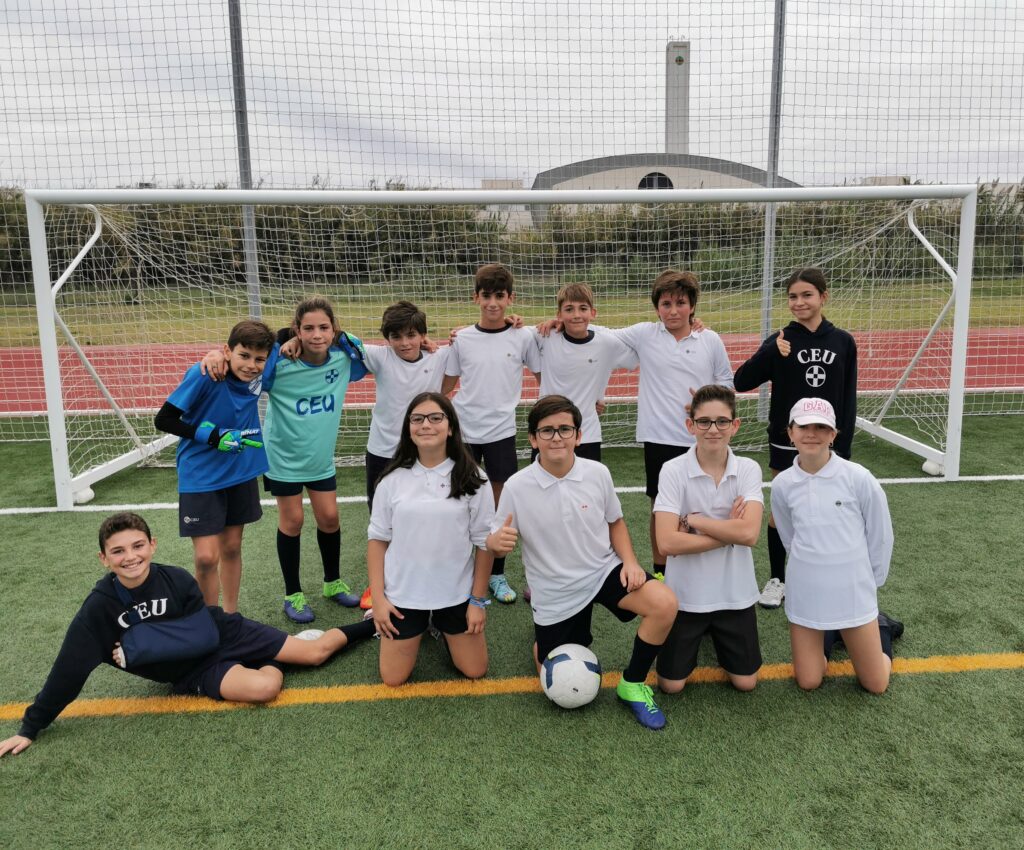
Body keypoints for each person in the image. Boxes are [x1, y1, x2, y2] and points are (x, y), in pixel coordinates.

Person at [0, 513, 375, 757]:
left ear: (152, 545)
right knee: (264, 689)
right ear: (104, 559)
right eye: (117, 551)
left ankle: (375, 622)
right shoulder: (99, 610)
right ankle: (271, 659)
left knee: (316, 653)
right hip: (192, 672)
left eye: (137, 546)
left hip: (224, 635)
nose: (129, 557)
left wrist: (139, 645)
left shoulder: (176, 579)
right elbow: (68, 668)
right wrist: (31, 727)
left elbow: (201, 633)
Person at [488, 395, 678, 730]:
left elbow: (615, 521)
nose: (556, 437)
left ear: (578, 435)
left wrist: (630, 562)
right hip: (554, 589)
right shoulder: (517, 487)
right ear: (533, 439)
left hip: (602, 570)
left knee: (664, 602)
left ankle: (632, 684)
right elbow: (496, 539)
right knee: (553, 678)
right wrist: (496, 544)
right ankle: (543, 639)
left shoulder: (598, 473)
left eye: (564, 429)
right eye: (547, 431)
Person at [202, 297, 366, 623]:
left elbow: (365, 356)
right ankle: (293, 594)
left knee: (330, 518)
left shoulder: (342, 360)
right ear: (296, 330)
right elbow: (248, 365)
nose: (317, 334)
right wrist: (217, 354)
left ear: (334, 329)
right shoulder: (281, 365)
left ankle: (332, 583)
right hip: (283, 458)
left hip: (320, 459)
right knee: (292, 522)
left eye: (324, 327)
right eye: (308, 328)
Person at [733, 267, 857, 610]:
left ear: (823, 297)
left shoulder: (842, 341)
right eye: (792, 296)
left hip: (828, 440)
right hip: (787, 438)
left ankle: (825, 575)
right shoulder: (781, 339)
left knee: (829, 508)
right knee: (783, 509)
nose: (799, 302)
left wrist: (843, 444)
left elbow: (848, 396)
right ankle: (778, 579)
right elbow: (741, 381)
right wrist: (771, 350)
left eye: (807, 295)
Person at [367, 393, 495, 686]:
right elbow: (377, 541)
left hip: (456, 595)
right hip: (403, 596)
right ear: (409, 429)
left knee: (475, 669)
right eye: (417, 419)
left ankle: (440, 625)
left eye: (436, 418)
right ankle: (420, 624)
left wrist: (477, 601)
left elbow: (484, 543)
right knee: (393, 678)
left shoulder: (474, 478)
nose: (426, 425)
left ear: (450, 428)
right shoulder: (391, 480)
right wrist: (378, 599)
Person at [771, 398, 897, 694]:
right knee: (809, 680)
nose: (811, 433)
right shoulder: (782, 485)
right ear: (790, 432)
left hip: (852, 591)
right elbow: (789, 537)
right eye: (803, 426)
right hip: (807, 592)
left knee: (876, 684)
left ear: (833, 434)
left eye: (821, 427)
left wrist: (871, 582)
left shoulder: (858, 478)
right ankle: (833, 631)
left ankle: (882, 628)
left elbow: (881, 534)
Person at [155, 319, 275, 613]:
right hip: (201, 475)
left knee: (232, 547)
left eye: (259, 359)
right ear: (227, 351)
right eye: (244, 356)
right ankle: (208, 620)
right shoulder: (206, 374)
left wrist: (294, 342)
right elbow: (164, 419)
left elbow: (288, 337)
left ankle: (230, 619)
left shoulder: (266, 366)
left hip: (240, 470)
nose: (251, 365)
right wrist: (212, 436)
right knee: (206, 558)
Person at [652, 385, 764, 694]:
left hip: (734, 593)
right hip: (686, 596)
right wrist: (728, 531)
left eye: (722, 421)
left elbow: (750, 534)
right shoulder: (673, 470)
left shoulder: (748, 469)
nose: (713, 429)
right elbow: (667, 543)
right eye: (704, 422)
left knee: (746, 683)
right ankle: (700, 636)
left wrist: (695, 521)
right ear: (690, 425)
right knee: (671, 686)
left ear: (735, 425)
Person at [443, 263, 542, 604]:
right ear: (476, 298)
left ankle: (497, 576)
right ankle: (460, 574)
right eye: (486, 296)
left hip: (501, 433)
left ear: (510, 299)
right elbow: (446, 385)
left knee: (501, 508)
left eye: (500, 296)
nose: (493, 303)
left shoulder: (523, 335)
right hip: (465, 433)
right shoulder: (462, 339)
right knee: (462, 503)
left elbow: (545, 376)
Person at [531, 282, 638, 463]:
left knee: (586, 490)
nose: (576, 315)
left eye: (583, 308)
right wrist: (514, 318)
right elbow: (511, 336)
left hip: (587, 434)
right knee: (543, 488)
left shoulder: (607, 344)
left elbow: (639, 354)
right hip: (548, 432)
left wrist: (598, 395)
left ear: (593, 313)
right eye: (569, 309)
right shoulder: (544, 336)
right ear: (559, 314)